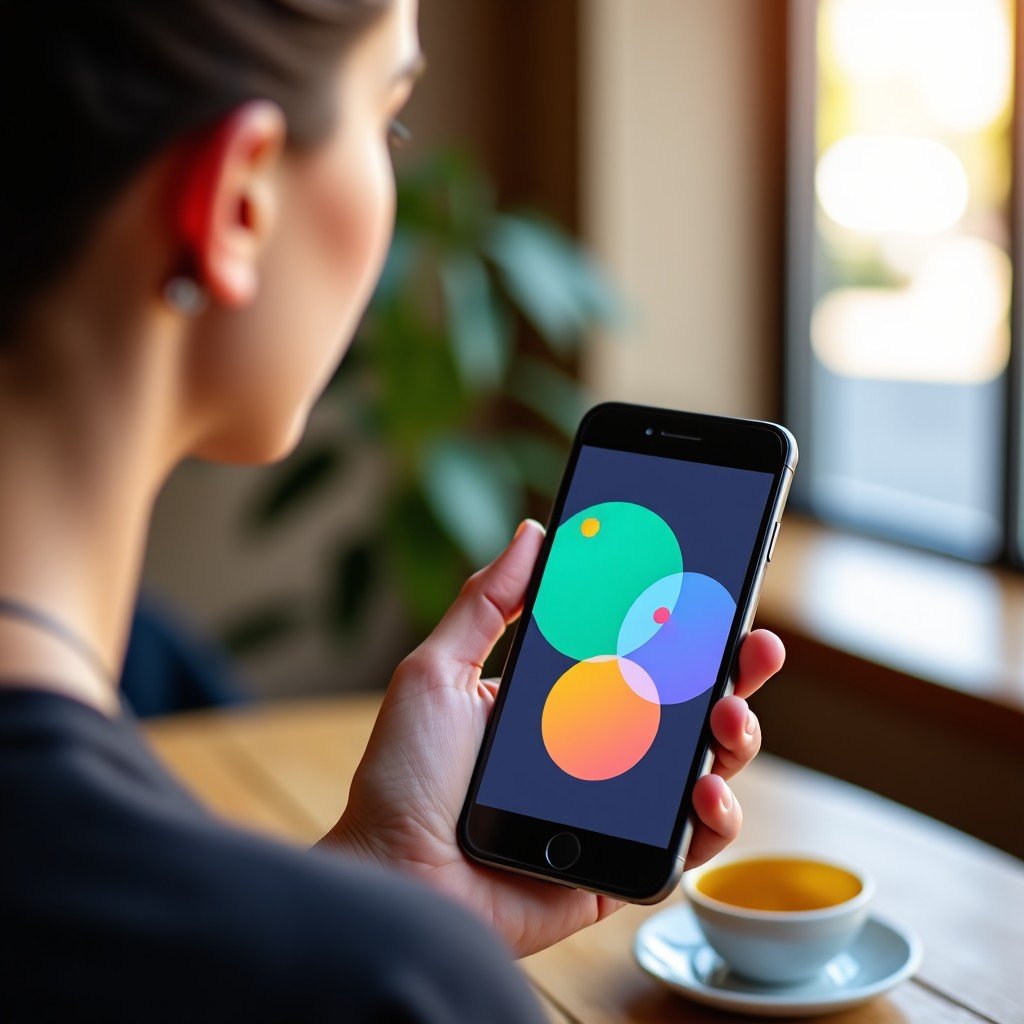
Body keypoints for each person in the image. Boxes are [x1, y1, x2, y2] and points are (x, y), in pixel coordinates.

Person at [0, 1, 786, 1020]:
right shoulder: (387, 986)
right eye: (390, 118)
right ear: (237, 198)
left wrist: (384, 878)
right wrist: (392, 957)